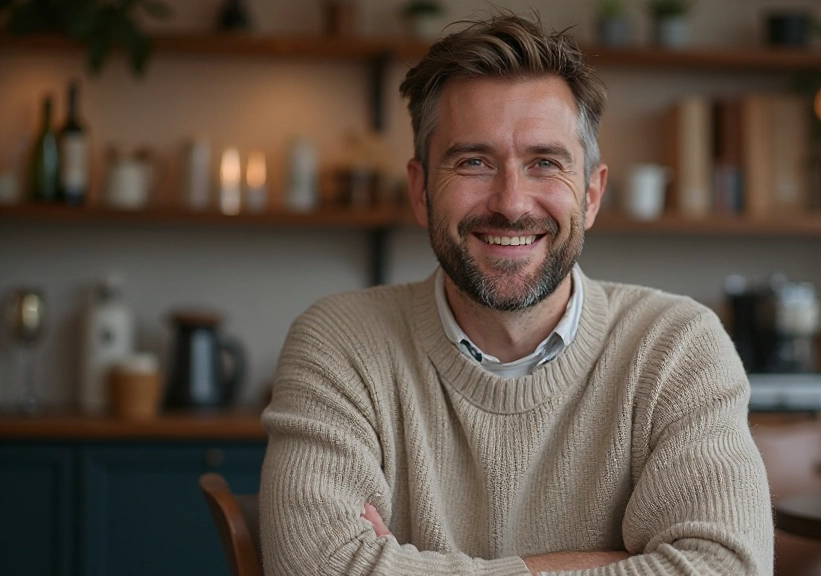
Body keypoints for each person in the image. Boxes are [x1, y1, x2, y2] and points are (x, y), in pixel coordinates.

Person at [260, 12, 773, 576]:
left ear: (592, 194)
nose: (511, 202)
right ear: (421, 190)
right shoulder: (340, 342)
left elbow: (728, 569)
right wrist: (610, 564)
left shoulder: (676, 347)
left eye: (544, 163)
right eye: (473, 161)